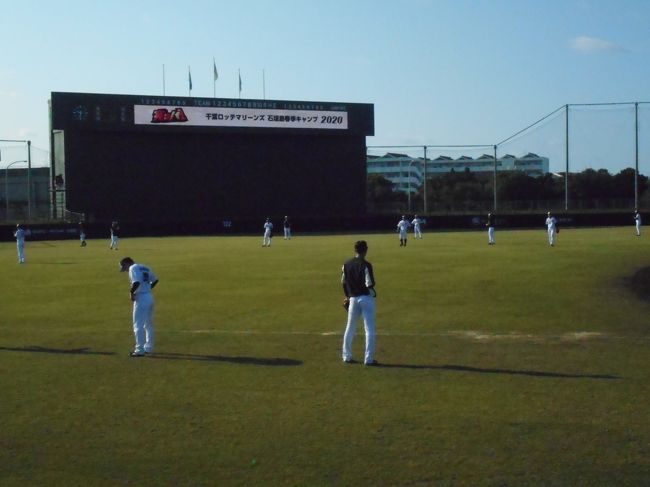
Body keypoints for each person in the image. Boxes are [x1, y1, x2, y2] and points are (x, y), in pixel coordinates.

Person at [341, 240, 378, 366]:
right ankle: (368, 359)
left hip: (352, 299)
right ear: (365, 250)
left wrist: (347, 296)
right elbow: (370, 284)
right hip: (366, 298)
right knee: (369, 329)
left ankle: (346, 356)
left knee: (350, 327)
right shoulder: (366, 265)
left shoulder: (346, 264)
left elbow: (343, 282)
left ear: (355, 250)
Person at [120, 257, 159, 357]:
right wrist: (148, 288)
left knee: (138, 325)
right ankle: (149, 347)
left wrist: (131, 292)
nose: (124, 270)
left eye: (124, 267)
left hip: (141, 298)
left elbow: (136, 282)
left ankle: (139, 349)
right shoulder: (144, 267)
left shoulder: (133, 268)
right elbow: (155, 280)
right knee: (148, 324)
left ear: (127, 263)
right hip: (149, 296)